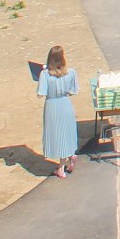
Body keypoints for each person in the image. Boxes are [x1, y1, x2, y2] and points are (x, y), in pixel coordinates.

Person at [37, 45, 80, 178]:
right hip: (65, 104)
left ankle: (61, 168)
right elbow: (73, 91)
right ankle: (70, 155)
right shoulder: (71, 72)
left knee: (57, 136)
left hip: (52, 106)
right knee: (67, 134)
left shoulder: (45, 74)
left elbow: (40, 93)